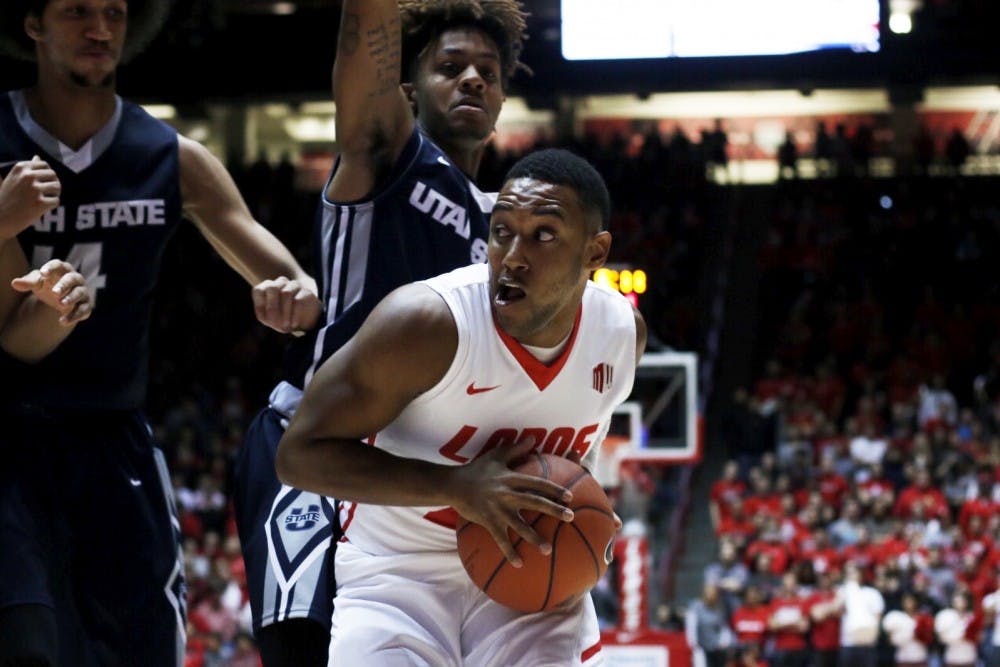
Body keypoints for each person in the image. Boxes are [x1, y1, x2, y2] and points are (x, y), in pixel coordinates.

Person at [0, 0, 322, 664]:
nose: (100, 29)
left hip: (112, 434)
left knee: (148, 647)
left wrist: (294, 292)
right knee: (26, 643)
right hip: (7, 436)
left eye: (115, 12)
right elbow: (16, 338)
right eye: (77, 11)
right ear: (31, 23)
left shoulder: (171, 156)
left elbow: (291, 279)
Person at [231, 0, 530, 664]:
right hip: (316, 448)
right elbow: (361, 36)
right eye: (451, 67)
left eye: (487, 70)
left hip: (411, 474)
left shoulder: (505, 227)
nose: (473, 79)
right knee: (308, 651)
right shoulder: (388, 151)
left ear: (505, 95)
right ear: (407, 87)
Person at [276, 148, 646, 665]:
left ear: (595, 252)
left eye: (543, 234)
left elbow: (576, 471)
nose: (513, 255)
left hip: (534, 575)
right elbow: (298, 456)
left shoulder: (620, 334)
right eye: (501, 231)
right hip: (399, 573)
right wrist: (454, 486)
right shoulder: (425, 323)